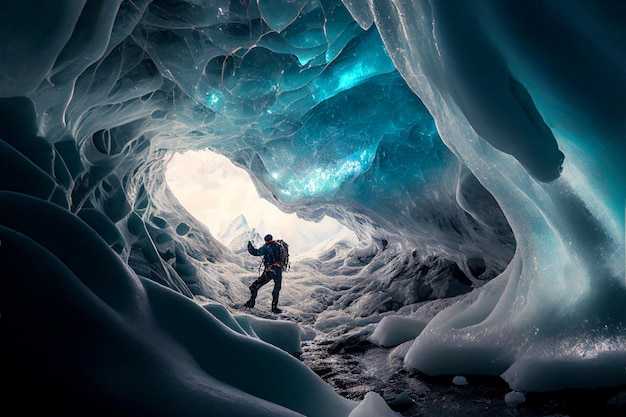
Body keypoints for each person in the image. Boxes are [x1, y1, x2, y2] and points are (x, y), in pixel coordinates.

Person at [244, 234, 283, 313]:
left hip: (269, 271)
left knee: (254, 286)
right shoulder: (278, 246)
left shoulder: (267, 246)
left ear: (266, 240)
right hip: (278, 272)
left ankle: (251, 303)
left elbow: (256, 252)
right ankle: (274, 308)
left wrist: (249, 247)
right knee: (276, 290)